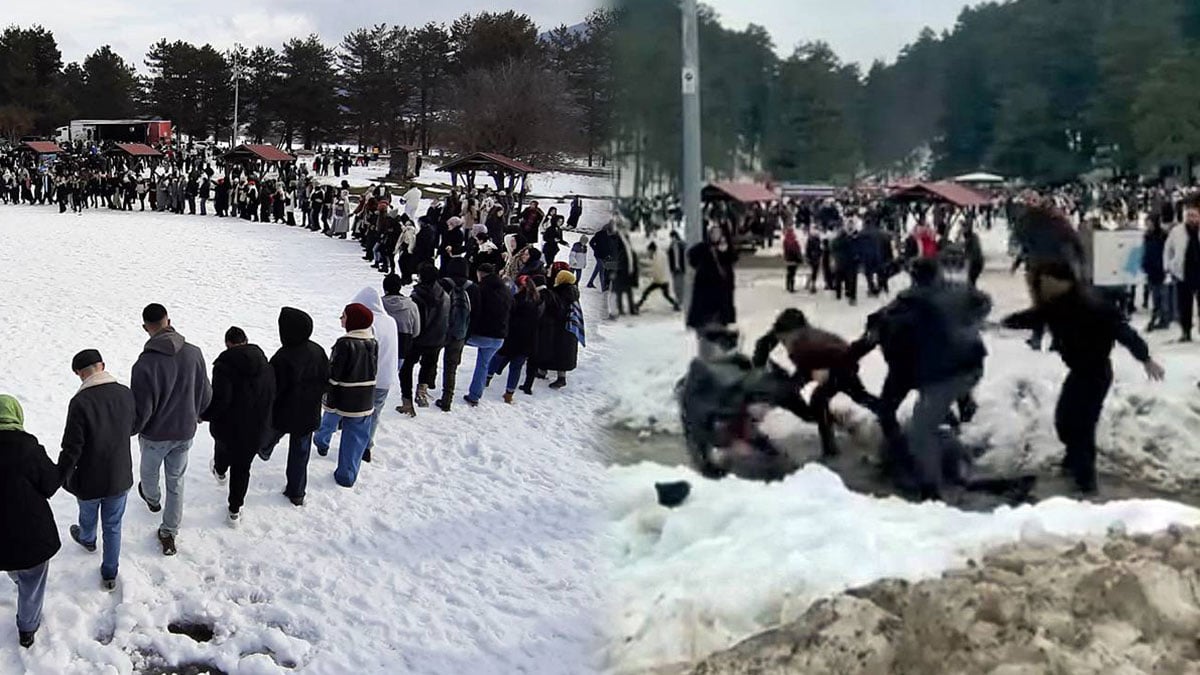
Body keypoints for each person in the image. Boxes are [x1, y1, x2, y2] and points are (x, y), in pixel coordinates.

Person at [1003, 260, 1164, 494]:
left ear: (1063, 282)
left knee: (1082, 426)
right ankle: (1074, 463)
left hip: (1096, 372)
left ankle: (1085, 483)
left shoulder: (1091, 303)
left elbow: (1123, 330)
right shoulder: (1056, 304)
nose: (1043, 288)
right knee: (1064, 421)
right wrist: (1007, 321)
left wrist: (1145, 358)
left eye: (1048, 283)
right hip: (1079, 371)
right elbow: (1034, 317)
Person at [131, 303, 212, 557]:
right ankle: (169, 531)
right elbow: (205, 392)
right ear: (169, 320)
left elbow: (142, 407)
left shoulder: (144, 364)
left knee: (149, 474)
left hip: (155, 434)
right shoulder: (194, 353)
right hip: (185, 431)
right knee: (176, 481)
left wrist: (134, 429)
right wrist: (198, 412)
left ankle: (153, 500)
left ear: (146, 328)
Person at [751, 309, 882, 458]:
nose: (783, 343)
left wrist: (826, 372)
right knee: (855, 395)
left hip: (840, 365)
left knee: (820, 400)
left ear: (794, 332)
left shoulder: (805, 345)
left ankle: (830, 448)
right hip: (831, 363)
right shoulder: (798, 336)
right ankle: (883, 410)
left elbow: (841, 356)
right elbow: (767, 342)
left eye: (784, 339)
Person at [58, 349, 136, 591]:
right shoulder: (125, 393)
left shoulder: (80, 402)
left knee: (88, 513)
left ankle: (87, 538)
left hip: (88, 477)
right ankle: (110, 573)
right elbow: (133, 426)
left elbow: (72, 446)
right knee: (113, 525)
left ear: (79, 373)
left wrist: (61, 474)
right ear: (102, 365)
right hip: (119, 474)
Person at [0, 395, 60, 648]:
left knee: (14, 565)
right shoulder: (28, 448)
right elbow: (49, 485)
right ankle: (27, 629)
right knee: (32, 580)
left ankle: (14, 572)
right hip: (31, 535)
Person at [201, 328, 275, 525]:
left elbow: (220, 400)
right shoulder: (265, 365)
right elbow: (270, 395)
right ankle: (235, 510)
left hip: (228, 426)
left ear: (227, 343)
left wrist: (204, 415)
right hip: (255, 427)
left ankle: (220, 470)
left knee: (222, 448)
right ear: (246, 341)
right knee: (243, 468)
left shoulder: (223, 366)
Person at [264, 308, 330, 506]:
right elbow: (326, 380)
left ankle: (263, 449)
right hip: (308, 412)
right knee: (300, 453)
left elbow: (272, 387)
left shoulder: (282, 357)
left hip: (283, 411)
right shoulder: (318, 351)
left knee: (271, 433)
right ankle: (297, 492)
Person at [314, 304, 379, 487]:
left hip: (342, 396)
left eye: (343, 316)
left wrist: (326, 390)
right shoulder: (373, 342)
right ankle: (347, 475)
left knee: (329, 419)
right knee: (355, 437)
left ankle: (322, 441)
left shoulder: (344, 343)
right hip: (365, 398)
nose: (341, 319)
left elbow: (335, 373)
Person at [349, 287, 399, 462]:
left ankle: (356, 448)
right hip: (386, 377)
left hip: (369, 378)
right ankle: (367, 445)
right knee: (375, 413)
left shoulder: (369, 325)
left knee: (360, 414)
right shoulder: (390, 321)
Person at [463, 263, 513, 406]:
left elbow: (475, 313)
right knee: (483, 364)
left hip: (481, 335)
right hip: (500, 337)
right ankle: (475, 396)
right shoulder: (506, 290)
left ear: (480, 273)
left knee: (453, 343)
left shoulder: (480, 290)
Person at [435, 258, 474, 411]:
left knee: (430, 358)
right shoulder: (472, 288)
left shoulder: (442, 284)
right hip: (460, 333)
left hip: (441, 329)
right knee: (451, 367)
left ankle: (427, 383)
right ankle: (447, 399)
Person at [686, 225, 738, 330]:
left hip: (722, 287)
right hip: (707, 286)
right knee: (707, 311)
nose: (716, 235)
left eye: (718, 233)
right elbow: (691, 255)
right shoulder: (704, 247)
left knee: (721, 310)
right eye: (713, 233)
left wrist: (726, 249)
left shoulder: (725, 247)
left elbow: (733, 258)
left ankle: (722, 322)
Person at [1164, 196, 1200, 342]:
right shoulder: (1177, 231)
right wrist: (1169, 266)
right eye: (1189, 215)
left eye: (1194, 215)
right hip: (1183, 271)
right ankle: (1186, 331)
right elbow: (1168, 249)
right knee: (1184, 305)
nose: (1191, 218)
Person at [1143, 215, 1172, 332]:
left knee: (1163, 295)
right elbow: (1146, 252)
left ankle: (1164, 319)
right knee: (1155, 296)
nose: (1148, 226)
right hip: (1152, 270)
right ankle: (1157, 317)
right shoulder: (1147, 236)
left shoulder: (1163, 235)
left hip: (1162, 268)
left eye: (1149, 223)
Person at [635, 241, 680, 312]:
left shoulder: (658, 256)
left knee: (647, 292)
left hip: (660, 280)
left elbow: (656, 267)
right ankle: (676, 304)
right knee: (666, 295)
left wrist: (648, 273)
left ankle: (638, 304)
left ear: (652, 249)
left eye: (649, 251)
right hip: (663, 279)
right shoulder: (659, 254)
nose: (649, 253)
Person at [782, 225, 802, 293]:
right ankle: (792, 288)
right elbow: (797, 250)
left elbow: (785, 249)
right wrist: (799, 258)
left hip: (788, 259)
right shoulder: (794, 241)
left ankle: (787, 286)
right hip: (794, 259)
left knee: (788, 273)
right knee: (793, 274)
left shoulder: (785, 240)